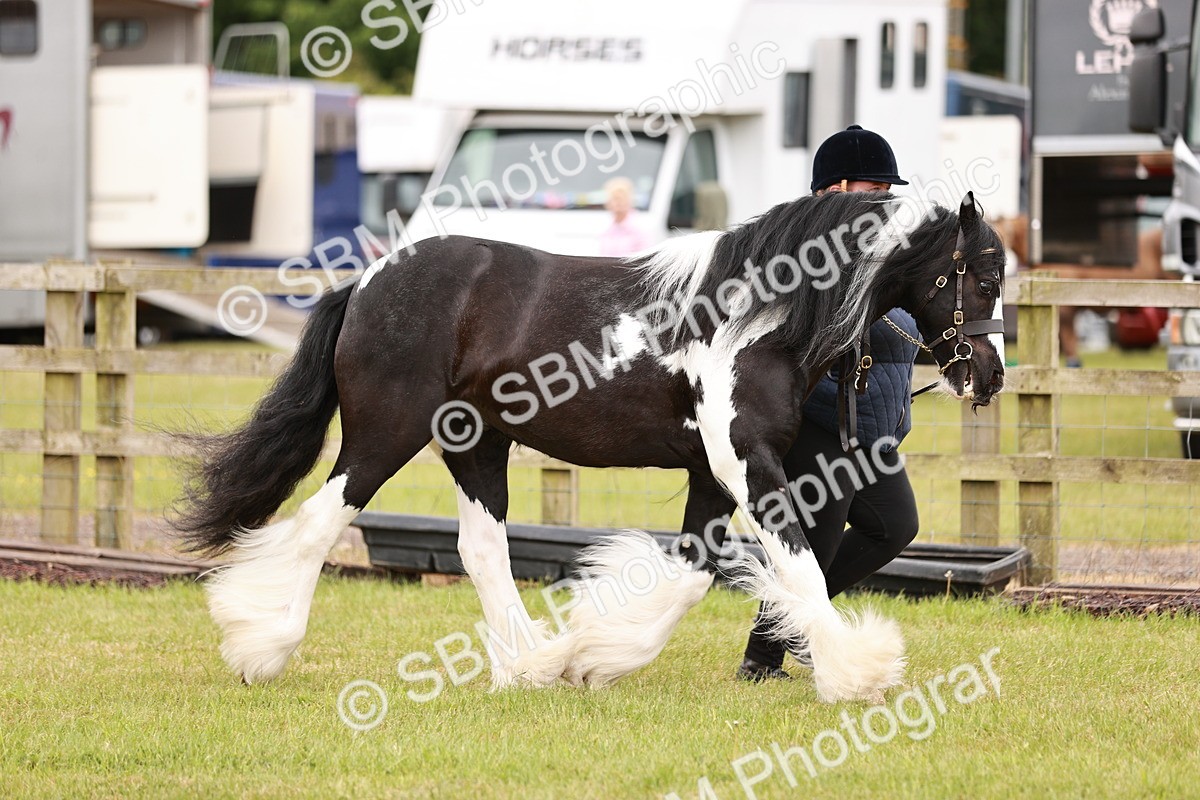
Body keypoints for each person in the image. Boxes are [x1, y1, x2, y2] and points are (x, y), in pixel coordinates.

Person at [737, 125, 924, 681]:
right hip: (820, 416)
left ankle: (796, 628)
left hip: (874, 427)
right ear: (835, 189)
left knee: (894, 526)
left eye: (890, 190)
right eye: (876, 187)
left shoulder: (890, 249)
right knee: (815, 536)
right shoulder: (803, 254)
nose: (886, 198)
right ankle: (763, 657)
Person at [599, 177, 651, 257]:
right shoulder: (607, 229)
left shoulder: (639, 227)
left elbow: (645, 257)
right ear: (608, 202)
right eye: (615, 198)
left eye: (623, 198)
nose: (619, 202)